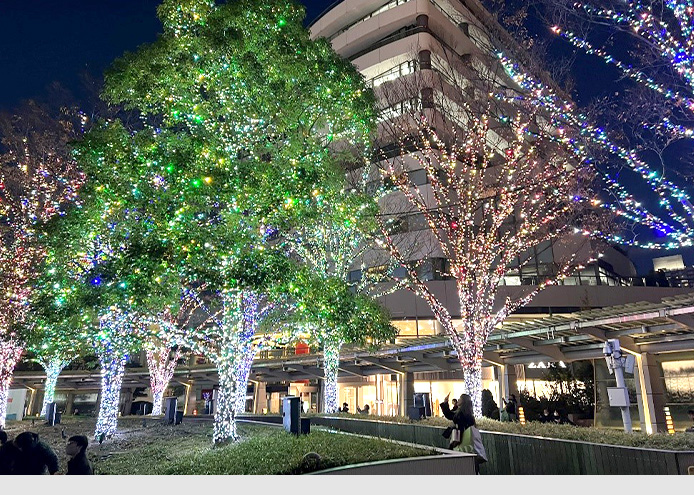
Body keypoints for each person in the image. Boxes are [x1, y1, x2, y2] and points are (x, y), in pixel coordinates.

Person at [441, 393, 487, 474]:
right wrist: (445, 403)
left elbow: (457, 424)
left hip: (461, 442)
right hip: (464, 442)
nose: (458, 400)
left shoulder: (461, 414)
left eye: (460, 399)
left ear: (463, 402)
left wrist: (455, 441)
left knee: (464, 464)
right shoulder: (464, 413)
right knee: (469, 464)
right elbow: (450, 415)